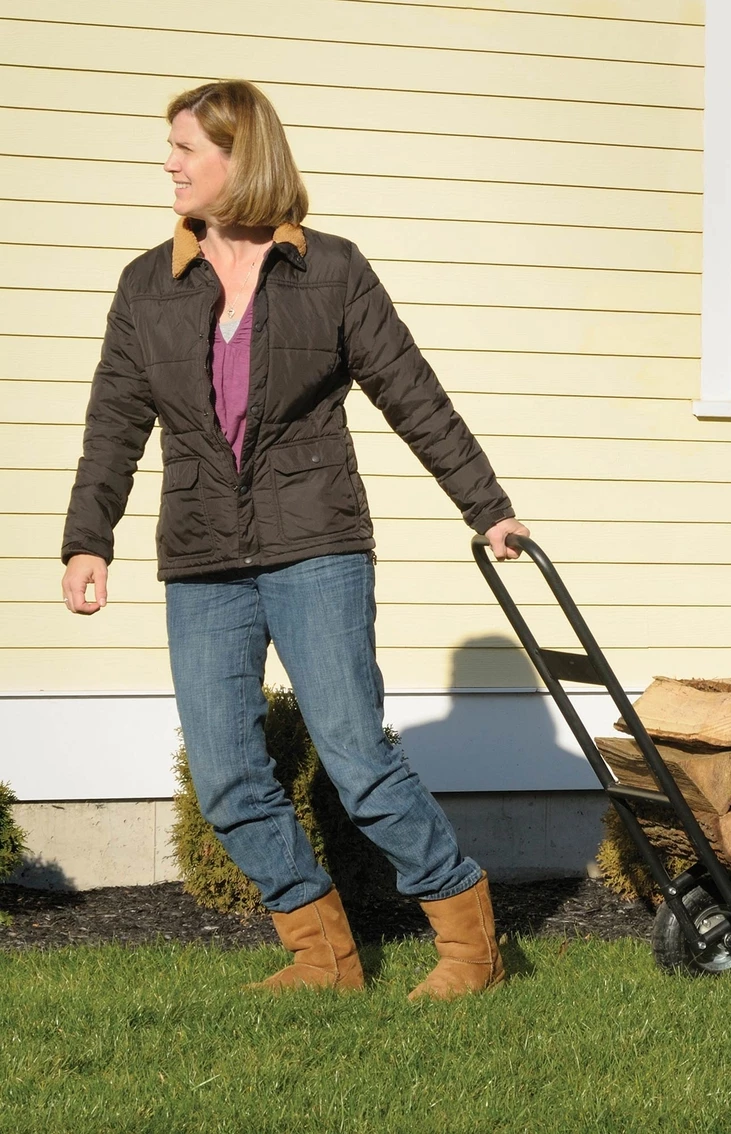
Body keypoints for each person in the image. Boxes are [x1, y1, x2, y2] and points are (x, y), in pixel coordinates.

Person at [60, 80, 529, 1001]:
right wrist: (90, 540)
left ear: (241, 158)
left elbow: (413, 395)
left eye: (186, 147)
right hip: (202, 560)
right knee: (229, 772)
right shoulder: (148, 284)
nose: (170, 163)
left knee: (357, 759)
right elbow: (113, 421)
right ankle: (324, 957)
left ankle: (472, 944)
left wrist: (487, 505)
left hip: (316, 548)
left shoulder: (334, 273)